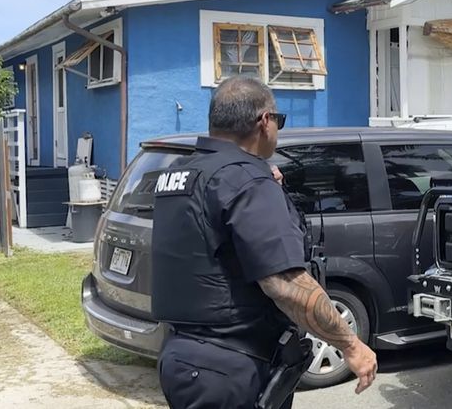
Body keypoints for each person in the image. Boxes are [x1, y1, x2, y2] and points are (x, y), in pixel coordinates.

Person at [150, 75, 377, 409]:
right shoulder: (246, 179)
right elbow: (285, 283)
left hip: (183, 358)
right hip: (232, 365)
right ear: (264, 121)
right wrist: (351, 345)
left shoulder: (182, 172)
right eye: (278, 120)